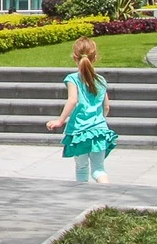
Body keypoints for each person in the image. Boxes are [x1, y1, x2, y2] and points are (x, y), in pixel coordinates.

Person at [46, 37, 116, 183]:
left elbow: (73, 100)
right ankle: (108, 192)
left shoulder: (73, 79)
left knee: (81, 168)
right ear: (95, 57)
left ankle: (83, 197)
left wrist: (60, 121)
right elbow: (106, 106)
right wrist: (99, 119)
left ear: (74, 57)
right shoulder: (101, 80)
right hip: (99, 131)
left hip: (80, 132)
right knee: (98, 169)